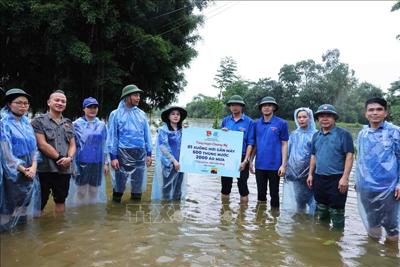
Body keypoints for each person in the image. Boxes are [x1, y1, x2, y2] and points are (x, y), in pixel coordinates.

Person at [356, 97, 400, 242]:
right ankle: (373, 255)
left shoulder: (395, 132)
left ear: (385, 113)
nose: (375, 113)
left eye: (379, 109)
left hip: (389, 188)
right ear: (366, 113)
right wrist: (358, 180)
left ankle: (391, 259)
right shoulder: (363, 134)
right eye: (371, 110)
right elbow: (361, 159)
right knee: (372, 221)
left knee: (391, 226)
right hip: (366, 187)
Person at [307, 104, 354, 229]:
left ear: (334, 118)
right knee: (321, 209)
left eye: (328, 116)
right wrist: (310, 174)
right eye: (321, 116)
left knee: (337, 211)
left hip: (337, 179)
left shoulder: (344, 134)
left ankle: (337, 240)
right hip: (319, 177)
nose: (324, 119)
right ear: (317, 119)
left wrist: (345, 178)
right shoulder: (316, 136)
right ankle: (322, 237)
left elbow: (349, 156)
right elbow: (313, 156)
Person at [0, 89, 40, 231]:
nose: (23, 106)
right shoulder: (3, 123)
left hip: (30, 170)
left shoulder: (26, 123)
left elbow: (34, 148)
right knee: (7, 205)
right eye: (19, 103)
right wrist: (22, 169)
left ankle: (21, 238)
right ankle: (6, 239)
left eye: (26, 103)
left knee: (24, 205)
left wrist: (34, 166)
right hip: (11, 172)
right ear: (10, 104)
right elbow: (6, 153)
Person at [31, 90, 76, 213]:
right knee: (39, 202)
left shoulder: (68, 123)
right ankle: (38, 231)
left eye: (63, 101)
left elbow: (72, 144)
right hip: (44, 169)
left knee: (61, 200)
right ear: (49, 102)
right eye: (57, 100)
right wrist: (61, 158)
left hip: (64, 169)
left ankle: (58, 228)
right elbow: (42, 144)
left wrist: (70, 158)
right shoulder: (38, 121)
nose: (60, 103)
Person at [107, 84, 152, 203]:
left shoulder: (141, 114)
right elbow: (112, 137)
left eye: (139, 95)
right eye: (135, 95)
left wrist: (149, 154)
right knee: (119, 186)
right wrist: (113, 157)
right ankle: (115, 214)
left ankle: (134, 212)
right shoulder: (115, 114)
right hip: (122, 153)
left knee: (137, 187)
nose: (138, 98)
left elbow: (147, 135)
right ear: (127, 97)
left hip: (139, 153)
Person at [66, 97, 108, 206]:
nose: (92, 109)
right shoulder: (76, 124)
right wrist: (73, 165)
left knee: (94, 191)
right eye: (89, 107)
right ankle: (79, 215)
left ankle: (91, 216)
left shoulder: (102, 125)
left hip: (97, 163)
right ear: (84, 109)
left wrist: (106, 163)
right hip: (81, 162)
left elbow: (105, 145)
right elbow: (71, 145)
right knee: (81, 191)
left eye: (95, 107)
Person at [250, 96, 289, 209]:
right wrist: (251, 161)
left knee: (274, 194)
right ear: (261, 108)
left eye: (269, 105)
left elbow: (284, 144)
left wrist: (283, 164)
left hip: (275, 165)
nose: (266, 108)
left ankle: (274, 219)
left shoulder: (282, 123)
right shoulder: (256, 123)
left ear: (274, 108)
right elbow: (255, 144)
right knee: (261, 194)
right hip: (260, 165)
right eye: (264, 105)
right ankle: (261, 220)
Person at [282, 108, 317, 214]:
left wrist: (311, 173)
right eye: (299, 117)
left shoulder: (316, 135)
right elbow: (288, 153)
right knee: (299, 202)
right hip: (295, 175)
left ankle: (312, 225)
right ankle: (300, 225)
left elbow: (315, 155)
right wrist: (285, 167)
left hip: (311, 175)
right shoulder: (293, 134)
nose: (301, 119)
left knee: (313, 202)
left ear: (310, 118)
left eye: (304, 117)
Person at [220, 95, 254, 203]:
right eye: (232, 105)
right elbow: (219, 141)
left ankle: (242, 216)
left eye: (237, 105)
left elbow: (250, 143)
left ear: (242, 107)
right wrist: (222, 133)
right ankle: (225, 211)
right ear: (229, 107)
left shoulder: (249, 122)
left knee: (242, 186)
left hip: (242, 156)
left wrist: (245, 161)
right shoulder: (225, 120)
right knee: (225, 186)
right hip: (227, 156)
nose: (234, 107)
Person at [151, 106, 187, 201]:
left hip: (181, 164)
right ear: (168, 116)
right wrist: (174, 161)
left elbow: (195, 142)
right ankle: (165, 211)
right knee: (167, 188)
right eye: (173, 114)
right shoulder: (163, 130)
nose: (176, 116)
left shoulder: (183, 130)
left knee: (178, 189)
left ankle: (176, 210)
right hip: (169, 163)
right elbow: (163, 147)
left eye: (178, 114)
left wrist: (223, 133)